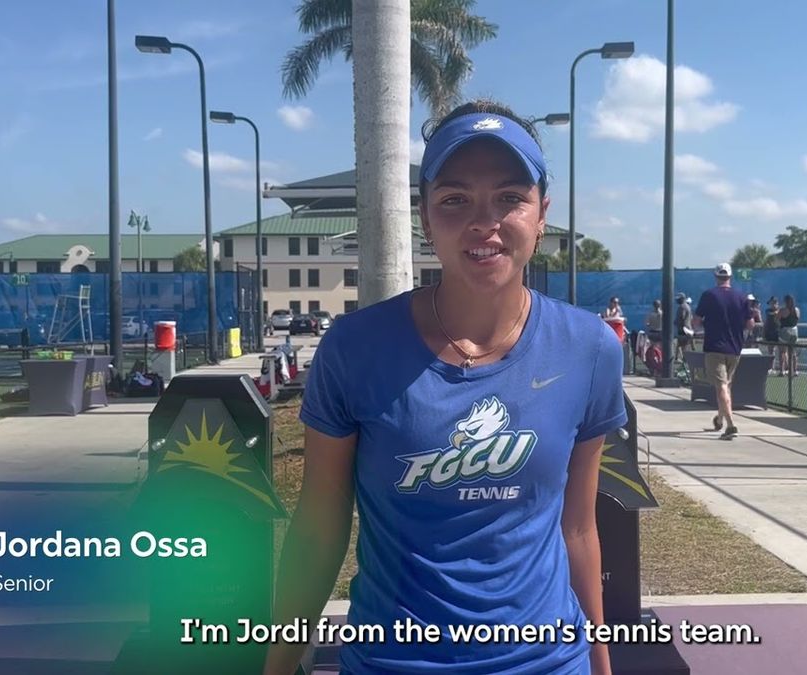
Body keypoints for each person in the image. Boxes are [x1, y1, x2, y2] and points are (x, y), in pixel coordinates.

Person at [264, 99, 627, 675]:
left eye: (510, 197)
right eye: (455, 200)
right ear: (426, 220)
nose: (486, 221)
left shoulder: (589, 349)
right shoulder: (355, 349)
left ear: (541, 215)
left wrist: (601, 660)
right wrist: (281, 662)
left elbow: (578, 525)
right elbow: (320, 522)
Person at [693, 263, 754, 439]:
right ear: (730, 277)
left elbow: (696, 321)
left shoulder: (709, 295)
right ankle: (720, 419)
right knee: (726, 385)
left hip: (714, 347)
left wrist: (705, 325)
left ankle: (731, 424)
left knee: (721, 386)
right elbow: (750, 324)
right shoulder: (741, 297)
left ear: (716, 277)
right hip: (735, 347)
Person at [778, 295, 801, 377]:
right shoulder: (797, 310)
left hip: (784, 331)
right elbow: (797, 319)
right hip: (794, 331)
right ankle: (795, 370)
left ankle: (782, 370)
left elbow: (777, 319)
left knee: (782, 351)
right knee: (793, 352)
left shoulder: (782, 310)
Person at [674, 293, 695, 363]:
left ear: (682, 299)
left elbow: (682, 317)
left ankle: (686, 359)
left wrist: (676, 322)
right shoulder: (687, 306)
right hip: (687, 328)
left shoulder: (682, 307)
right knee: (680, 344)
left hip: (683, 329)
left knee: (683, 346)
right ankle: (678, 358)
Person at [763, 297, 781, 367]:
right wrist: (764, 334)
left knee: (782, 351)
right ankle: (771, 367)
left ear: (777, 303)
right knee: (771, 350)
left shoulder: (781, 311)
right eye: (771, 303)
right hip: (770, 333)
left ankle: (783, 368)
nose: (772, 305)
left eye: (773, 303)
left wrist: (778, 312)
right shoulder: (768, 311)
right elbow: (770, 314)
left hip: (779, 333)